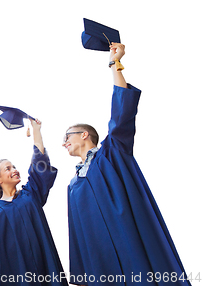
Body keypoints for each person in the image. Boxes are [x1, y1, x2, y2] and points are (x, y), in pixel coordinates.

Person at [63, 43, 191, 285]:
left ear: (84, 135)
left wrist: (115, 65)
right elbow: (77, 233)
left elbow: (121, 117)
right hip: (101, 264)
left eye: (67, 136)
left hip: (130, 245)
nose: (63, 143)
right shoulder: (73, 185)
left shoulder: (112, 155)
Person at [0, 118, 68, 286]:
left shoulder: (30, 194)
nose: (14, 170)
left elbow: (40, 165)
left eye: (14, 166)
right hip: (15, 272)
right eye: (8, 169)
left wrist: (37, 131)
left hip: (44, 262)